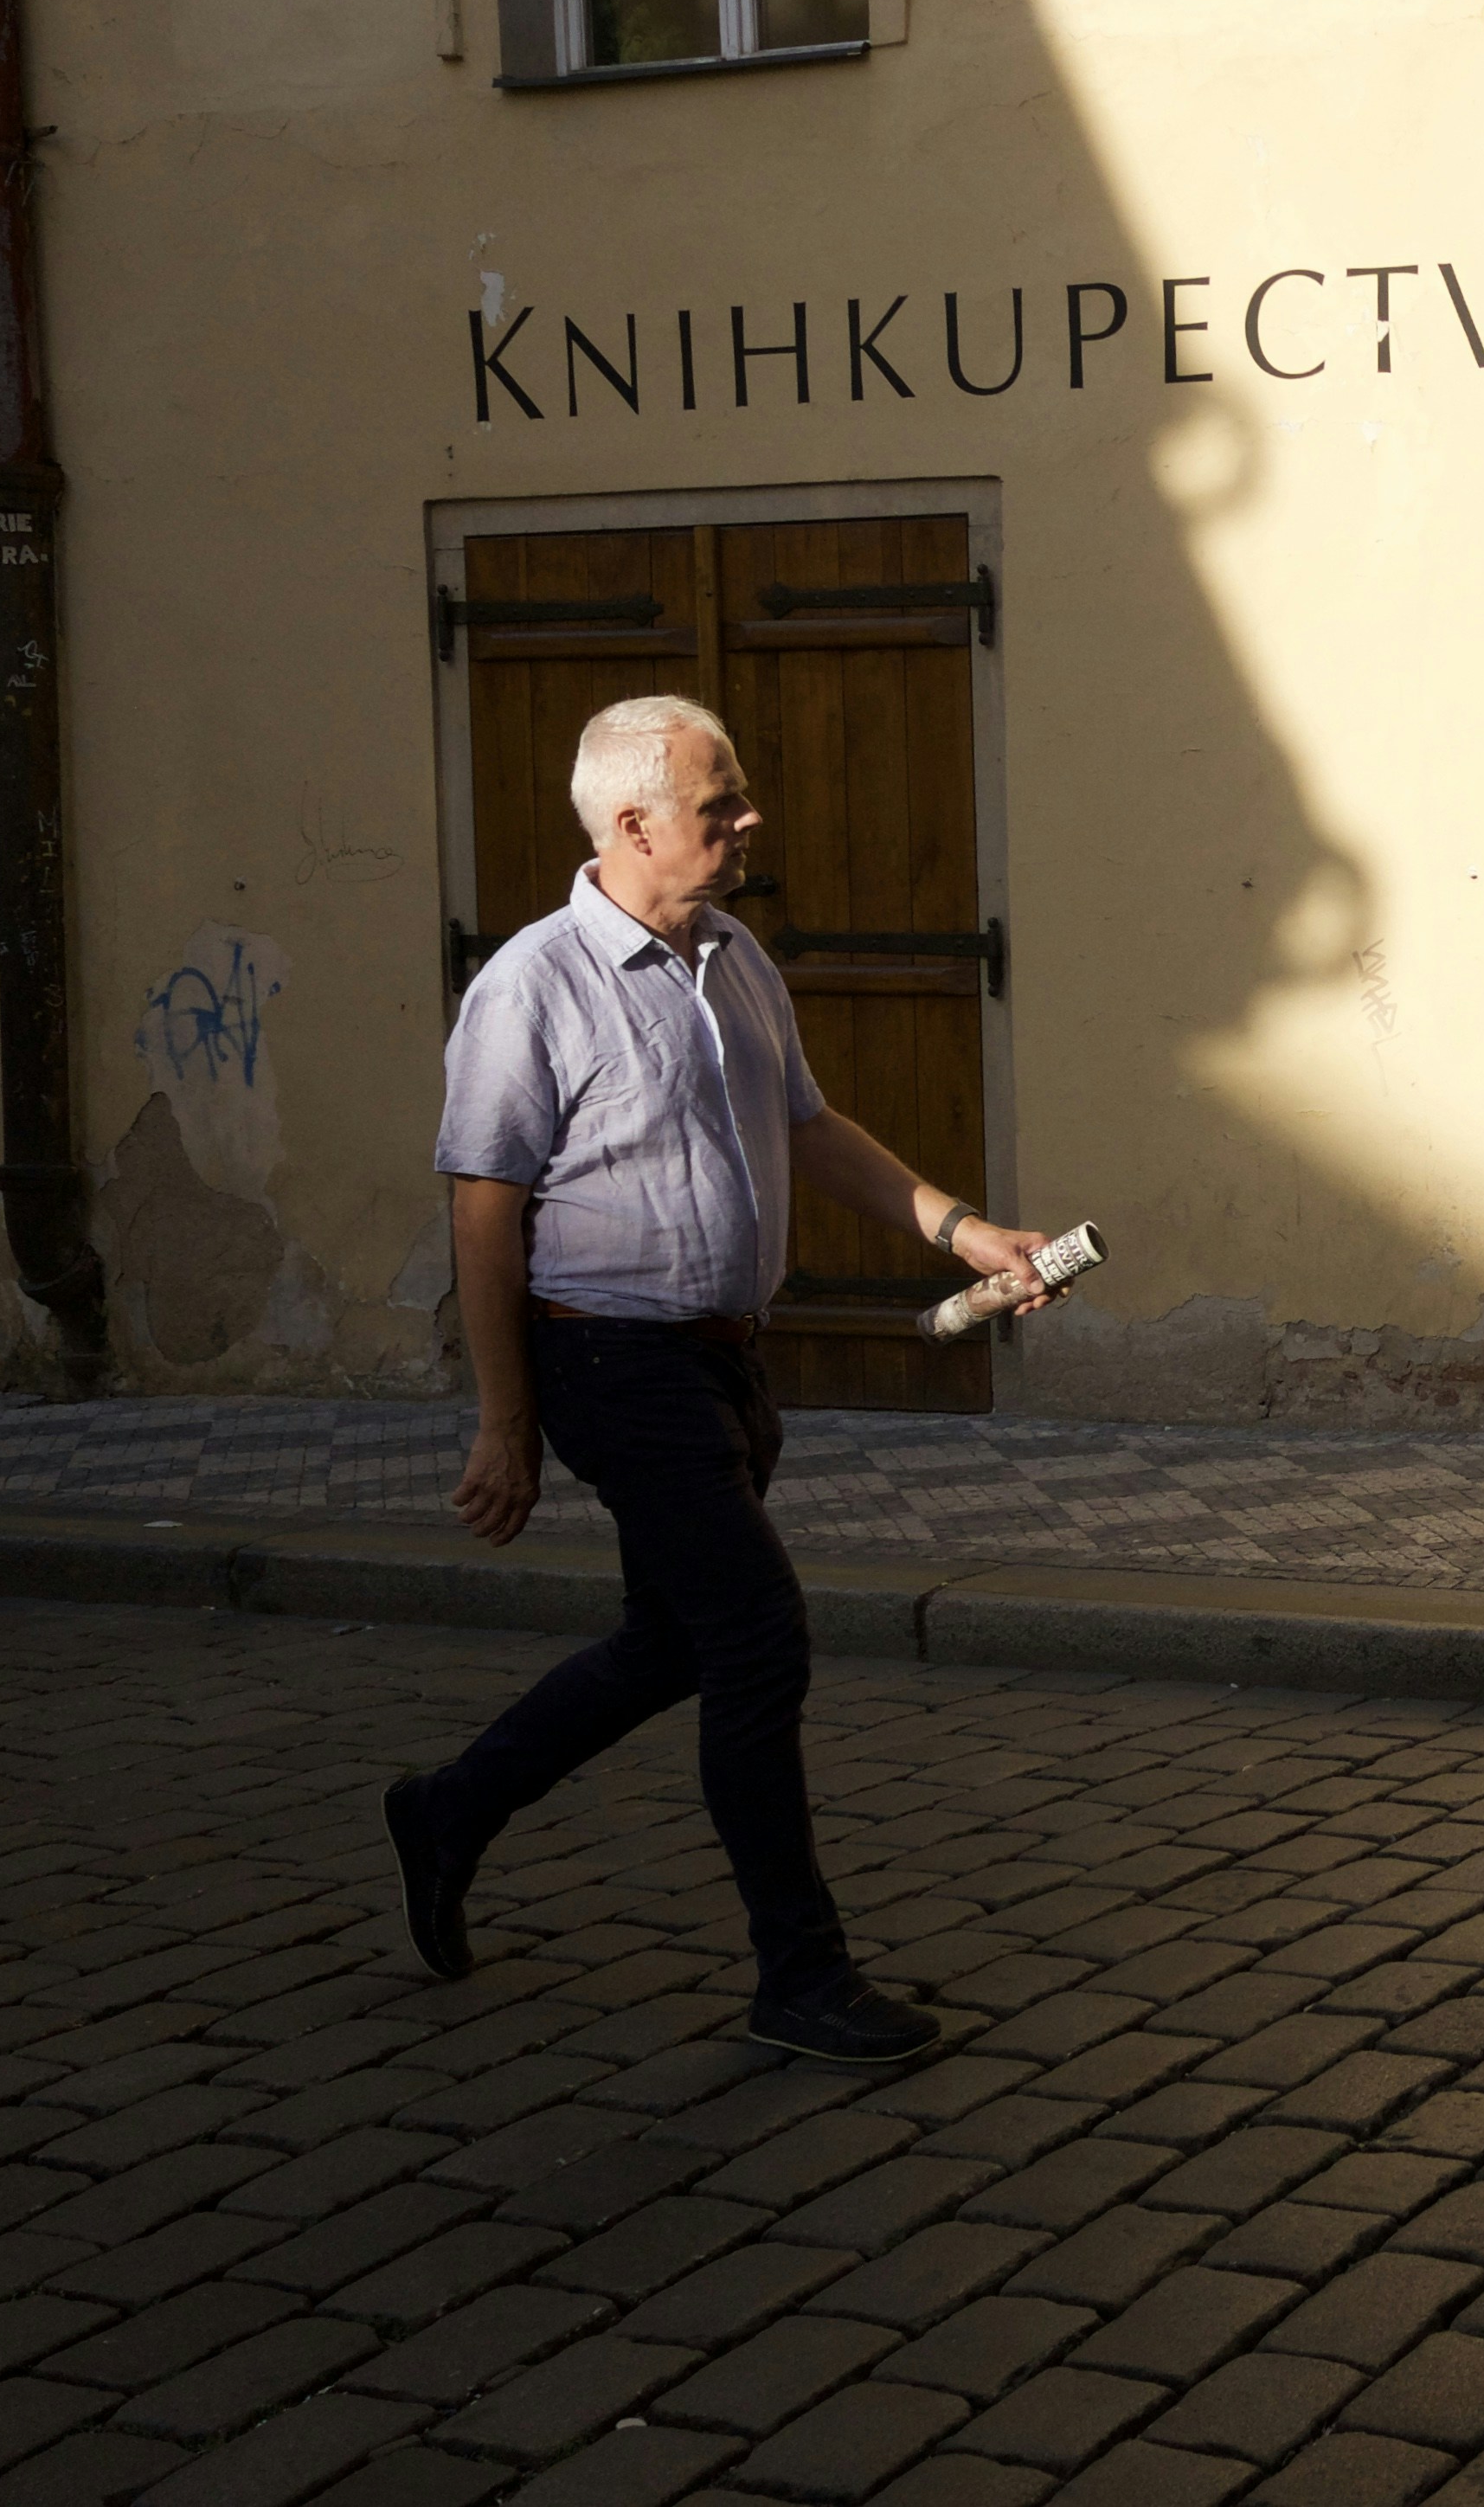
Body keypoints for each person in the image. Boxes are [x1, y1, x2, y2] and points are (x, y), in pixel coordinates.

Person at [383, 694, 1055, 2065]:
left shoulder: (735, 955)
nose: (749, 823)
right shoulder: (533, 985)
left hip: (727, 1368)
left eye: (738, 799)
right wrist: (506, 1422)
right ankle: (799, 1973)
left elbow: (807, 1127)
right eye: (720, 805)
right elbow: (481, 1211)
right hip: (608, 1361)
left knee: (671, 1642)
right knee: (755, 1638)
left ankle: (449, 1810)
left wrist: (963, 1228)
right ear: (631, 825)